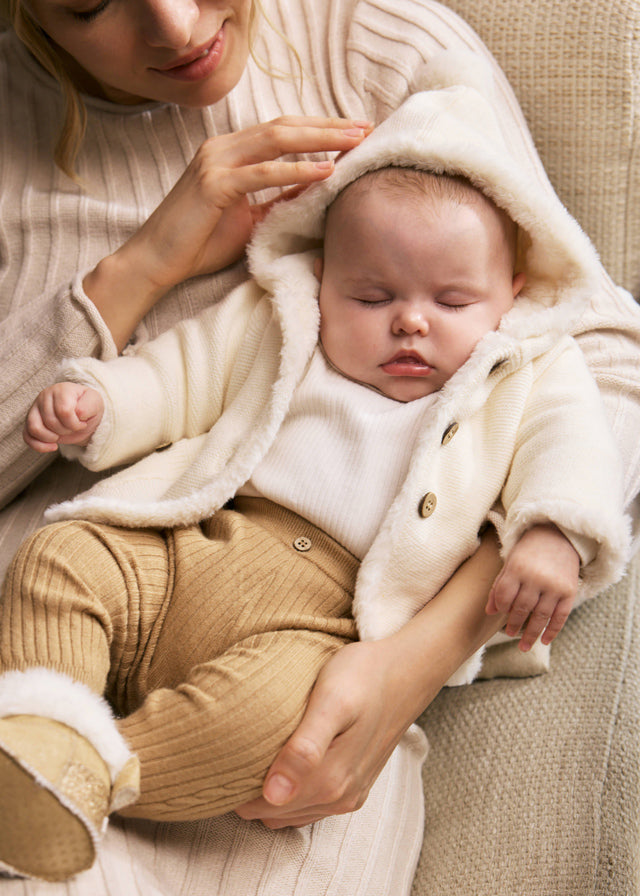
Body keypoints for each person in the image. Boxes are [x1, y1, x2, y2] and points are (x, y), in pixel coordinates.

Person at [0, 1, 638, 893]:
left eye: (451, 302)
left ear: (513, 293)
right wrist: (102, 375)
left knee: (270, 717)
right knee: (59, 556)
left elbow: (589, 409)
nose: (179, 30)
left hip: (325, 628)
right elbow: (181, 377)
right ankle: (37, 729)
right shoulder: (287, 317)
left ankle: (92, 775)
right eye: (90, 3)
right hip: (176, 545)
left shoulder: (521, 360)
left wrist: (547, 536)